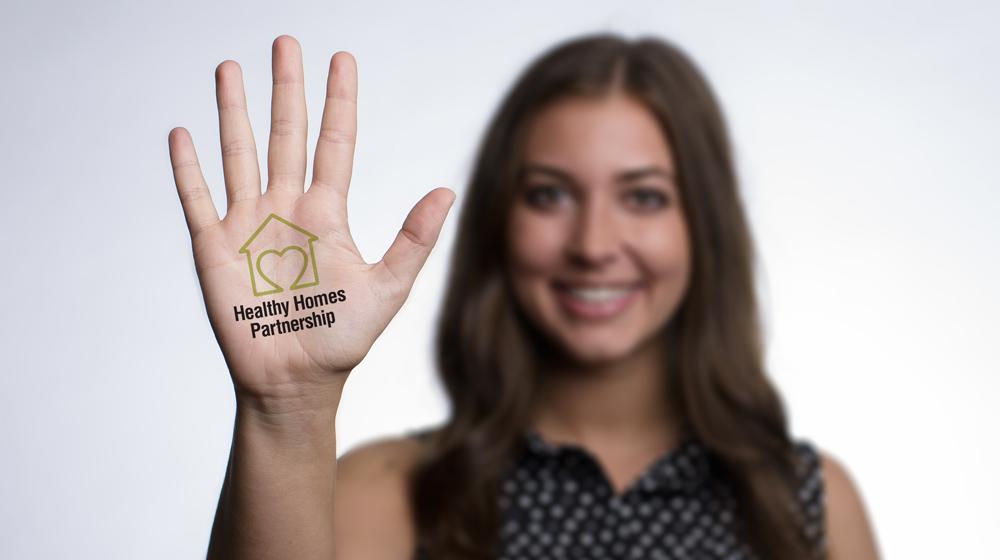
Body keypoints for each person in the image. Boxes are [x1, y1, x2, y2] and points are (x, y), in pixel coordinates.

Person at [167, 32, 880, 560]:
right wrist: (286, 410)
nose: (595, 243)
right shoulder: (387, 498)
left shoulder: (809, 506)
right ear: (500, 222)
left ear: (705, 224)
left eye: (644, 196)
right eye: (549, 194)